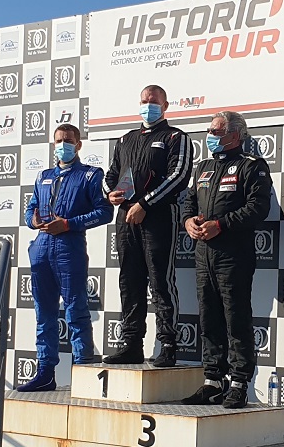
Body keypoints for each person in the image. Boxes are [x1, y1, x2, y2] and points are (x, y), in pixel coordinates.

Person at [181, 111, 272, 409]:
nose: (210, 136)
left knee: (236, 319)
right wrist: (188, 222)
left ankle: (239, 383)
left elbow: (258, 208)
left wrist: (221, 224)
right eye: (209, 130)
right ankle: (212, 381)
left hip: (234, 255)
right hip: (203, 254)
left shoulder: (252, 166)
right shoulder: (203, 167)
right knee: (209, 318)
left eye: (216, 131)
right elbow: (188, 203)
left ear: (235, 135)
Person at [102, 85, 193, 367]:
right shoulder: (125, 139)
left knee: (160, 281)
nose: (148, 106)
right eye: (144, 101)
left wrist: (146, 204)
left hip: (158, 217)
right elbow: (111, 175)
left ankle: (168, 345)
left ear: (165, 106)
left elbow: (179, 177)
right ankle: (131, 344)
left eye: (153, 102)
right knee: (130, 282)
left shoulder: (175, 137)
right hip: (126, 218)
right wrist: (110, 194)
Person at [18, 123, 113, 392]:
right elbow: (30, 210)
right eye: (59, 140)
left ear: (78, 145)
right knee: (44, 313)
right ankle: (45, 372)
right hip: (41, 248)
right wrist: (33, 221)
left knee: (76, 310)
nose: (63, 145)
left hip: (69, 248)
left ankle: (83, 372)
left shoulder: (91, 175)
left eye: (68, 140)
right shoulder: (43, 176)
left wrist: (69, 224)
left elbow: (105, 212)